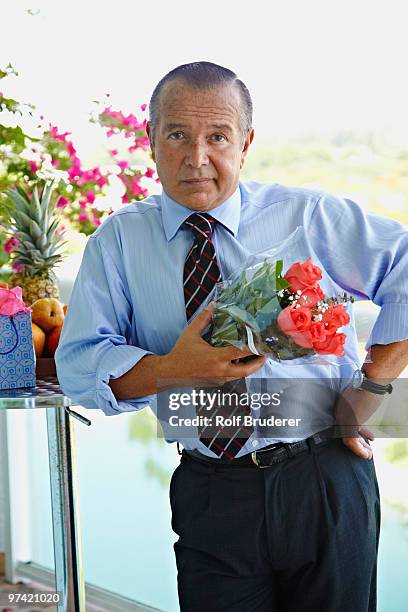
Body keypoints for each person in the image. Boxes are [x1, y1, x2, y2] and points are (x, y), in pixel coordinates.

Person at [55, 61, 408, 611]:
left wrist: (372, 389)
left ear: (245, 143)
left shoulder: (308, 217)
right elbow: (79, 367)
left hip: (324, 475)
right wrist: (175, 368)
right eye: (177, 135)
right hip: (211, 491)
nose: (197, 158)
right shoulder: (119, 241)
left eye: (217, 137)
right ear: (151, 140)